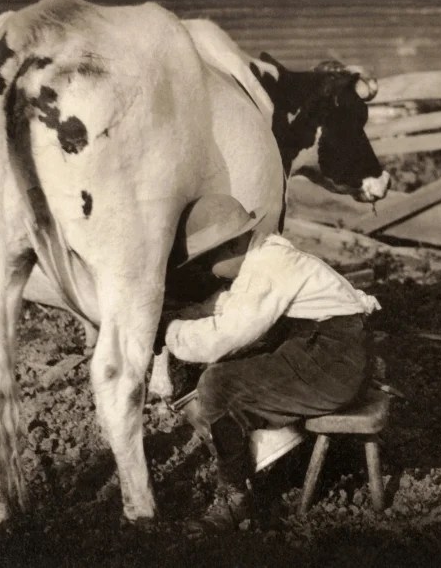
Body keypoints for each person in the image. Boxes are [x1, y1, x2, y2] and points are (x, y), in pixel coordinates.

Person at [159, 194, 381, 537]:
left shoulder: (269, 267)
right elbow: (226, 305)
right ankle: (278, 454)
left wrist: (170, 333)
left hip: (333, 361)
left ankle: (235, 496)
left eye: (207, 261)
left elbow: (226, 334)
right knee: (239, 370)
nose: (207, 271)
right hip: (329, 349)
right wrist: (179, 318)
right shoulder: (264, 255)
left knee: (217, 383)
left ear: (232, 244)